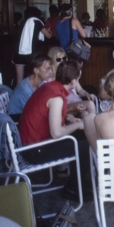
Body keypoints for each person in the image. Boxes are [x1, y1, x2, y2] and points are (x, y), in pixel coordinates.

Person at [18, 60, 96, 200]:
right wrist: (78, 124)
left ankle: (79, 183)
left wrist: (70, 119)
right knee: (83, 145)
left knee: (83, 136)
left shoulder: (51, 87)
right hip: (34, 151)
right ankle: (77, 190)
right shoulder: (56, 97)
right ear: (73, 81)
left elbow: (47, 117)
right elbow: (57, 133)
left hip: (31, 143)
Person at [48, 46, 96, 118]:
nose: (62, 61)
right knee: (88, 106)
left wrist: (87, 94)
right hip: (65, 105)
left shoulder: (71, 72)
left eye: (64, 58)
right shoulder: (50, 78)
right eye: (58, 59)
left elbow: (80, 90)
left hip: (76, 102)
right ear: (52, 61)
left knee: (85, 114)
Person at [12, 7, 52, 85]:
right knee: (32, 78)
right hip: (29, 53)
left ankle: (20, 95)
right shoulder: (37, 21)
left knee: (19, 80)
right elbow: (48, 36)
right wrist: (49, 31)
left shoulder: (23, 22)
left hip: (18, 52)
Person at [8, 53, 53, 122]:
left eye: (51, 68)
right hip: (17, 122)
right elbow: (35, 113)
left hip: (30, 117)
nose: (51, 72)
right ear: (36, 70)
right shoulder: (25, 89)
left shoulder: (40, 83)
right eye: (47, 69)